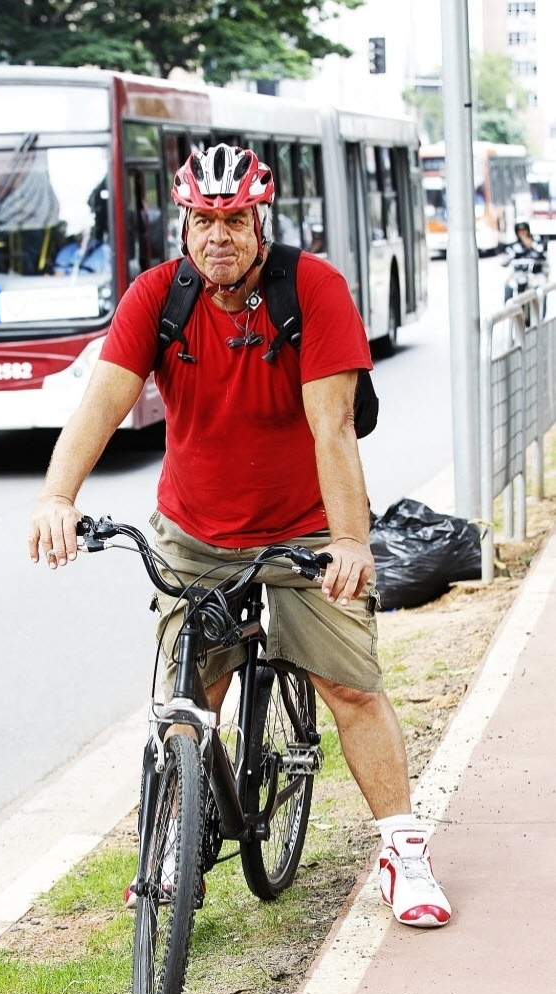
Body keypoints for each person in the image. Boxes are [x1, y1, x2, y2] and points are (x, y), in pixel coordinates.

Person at [28, 143, 451, 929]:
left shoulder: (312, 288)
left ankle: (403, 849)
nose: (216, 236)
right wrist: (58, 495)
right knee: (187, 704)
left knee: (351, 687)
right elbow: (102, 404)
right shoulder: (159, 297)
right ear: (183, 224)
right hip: (196, 530)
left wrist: (351, 543)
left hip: (306, 526)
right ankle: (171, 850)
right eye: (202, 220)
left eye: (232, 219)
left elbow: (333, 429)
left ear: (261, 222)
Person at [502, 220, 548, 302]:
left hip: (535, 273)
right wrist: (504, 262)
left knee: (541, 287)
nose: (522, 233)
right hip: (519, 274)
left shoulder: (537, 243)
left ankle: (540, 312)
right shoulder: (514, 246)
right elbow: (508, 258)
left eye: (524, 230)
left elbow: (542, 254)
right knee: (508, 285)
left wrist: (530, 243)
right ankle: (509, 310)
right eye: (520, 231)